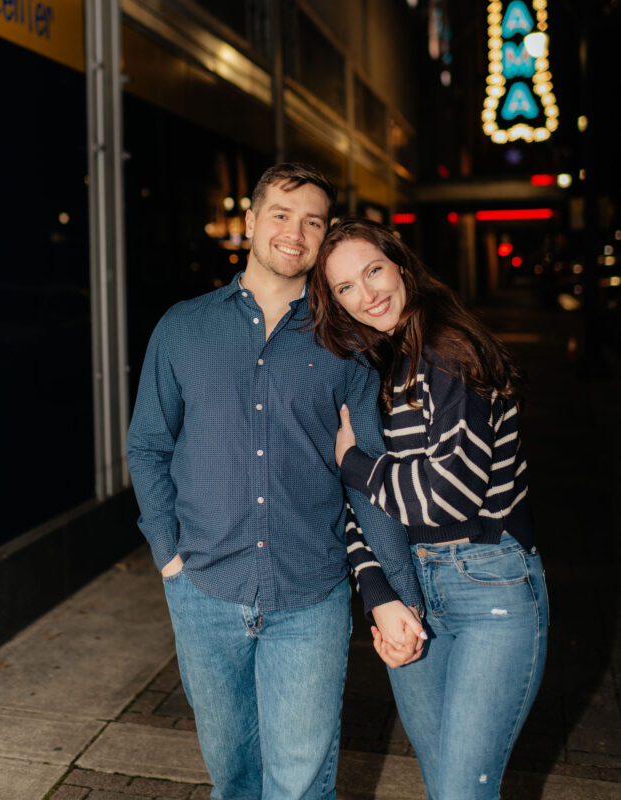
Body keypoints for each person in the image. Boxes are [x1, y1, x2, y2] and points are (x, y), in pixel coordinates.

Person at [126, 164, 425, 800]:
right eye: (282, 215)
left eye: (313, 221)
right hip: (204, 589)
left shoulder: (344, 345)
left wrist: (395, 592)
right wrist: (169, 559)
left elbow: (368, 482)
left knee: (299, 783)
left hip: (309, 597)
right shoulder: (184, 327)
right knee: (233, 777)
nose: (296, 232)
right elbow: (149, 445)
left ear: (322, 240)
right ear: (253, 221)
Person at [309, 216, 548, 800]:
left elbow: (449, 496)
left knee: (465, 791)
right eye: (345, 288)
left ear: (400, 265)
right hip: (412, 585)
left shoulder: (448, 352)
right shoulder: (381, 367)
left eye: (373, 271)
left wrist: (355, 464)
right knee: (445, 789)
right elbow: (364, 509)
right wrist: (381, 597)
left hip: (491, 582)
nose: (367, 295)